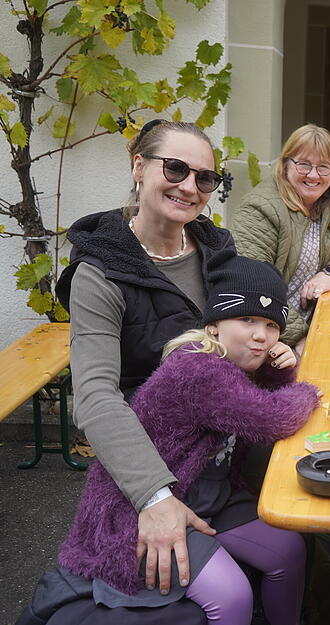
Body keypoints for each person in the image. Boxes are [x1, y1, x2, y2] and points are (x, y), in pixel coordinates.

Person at [43, 256, 316, 625]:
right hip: (144, 508)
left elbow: (257, 402)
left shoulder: (231, 361)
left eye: (271, 325)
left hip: (208, 496)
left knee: (288, 550)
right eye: (247, 319)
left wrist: (277, 370)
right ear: (214, 325)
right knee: (232, 594)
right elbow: (271, 418)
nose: (260, 335)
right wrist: (308, 391)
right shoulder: (200, 368)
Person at [52, 120, 238, 607]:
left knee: (300, 534)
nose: (189, 187)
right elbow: (95, 397)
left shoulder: (217, 250)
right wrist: (154, 497)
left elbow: (243, 336)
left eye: (205, 178)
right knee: (225, 593)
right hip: (152, 462)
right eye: (175, 169)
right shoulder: (100, 273)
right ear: (139, 167)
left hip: (222, 451)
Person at [234, 123, 330, 354]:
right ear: (286, 165)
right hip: (268, 335)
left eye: (323, 167)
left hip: (315, 322)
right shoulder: (260, 208)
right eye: (304, 164)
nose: (313, 175)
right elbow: (254, 287)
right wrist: (302, 337)